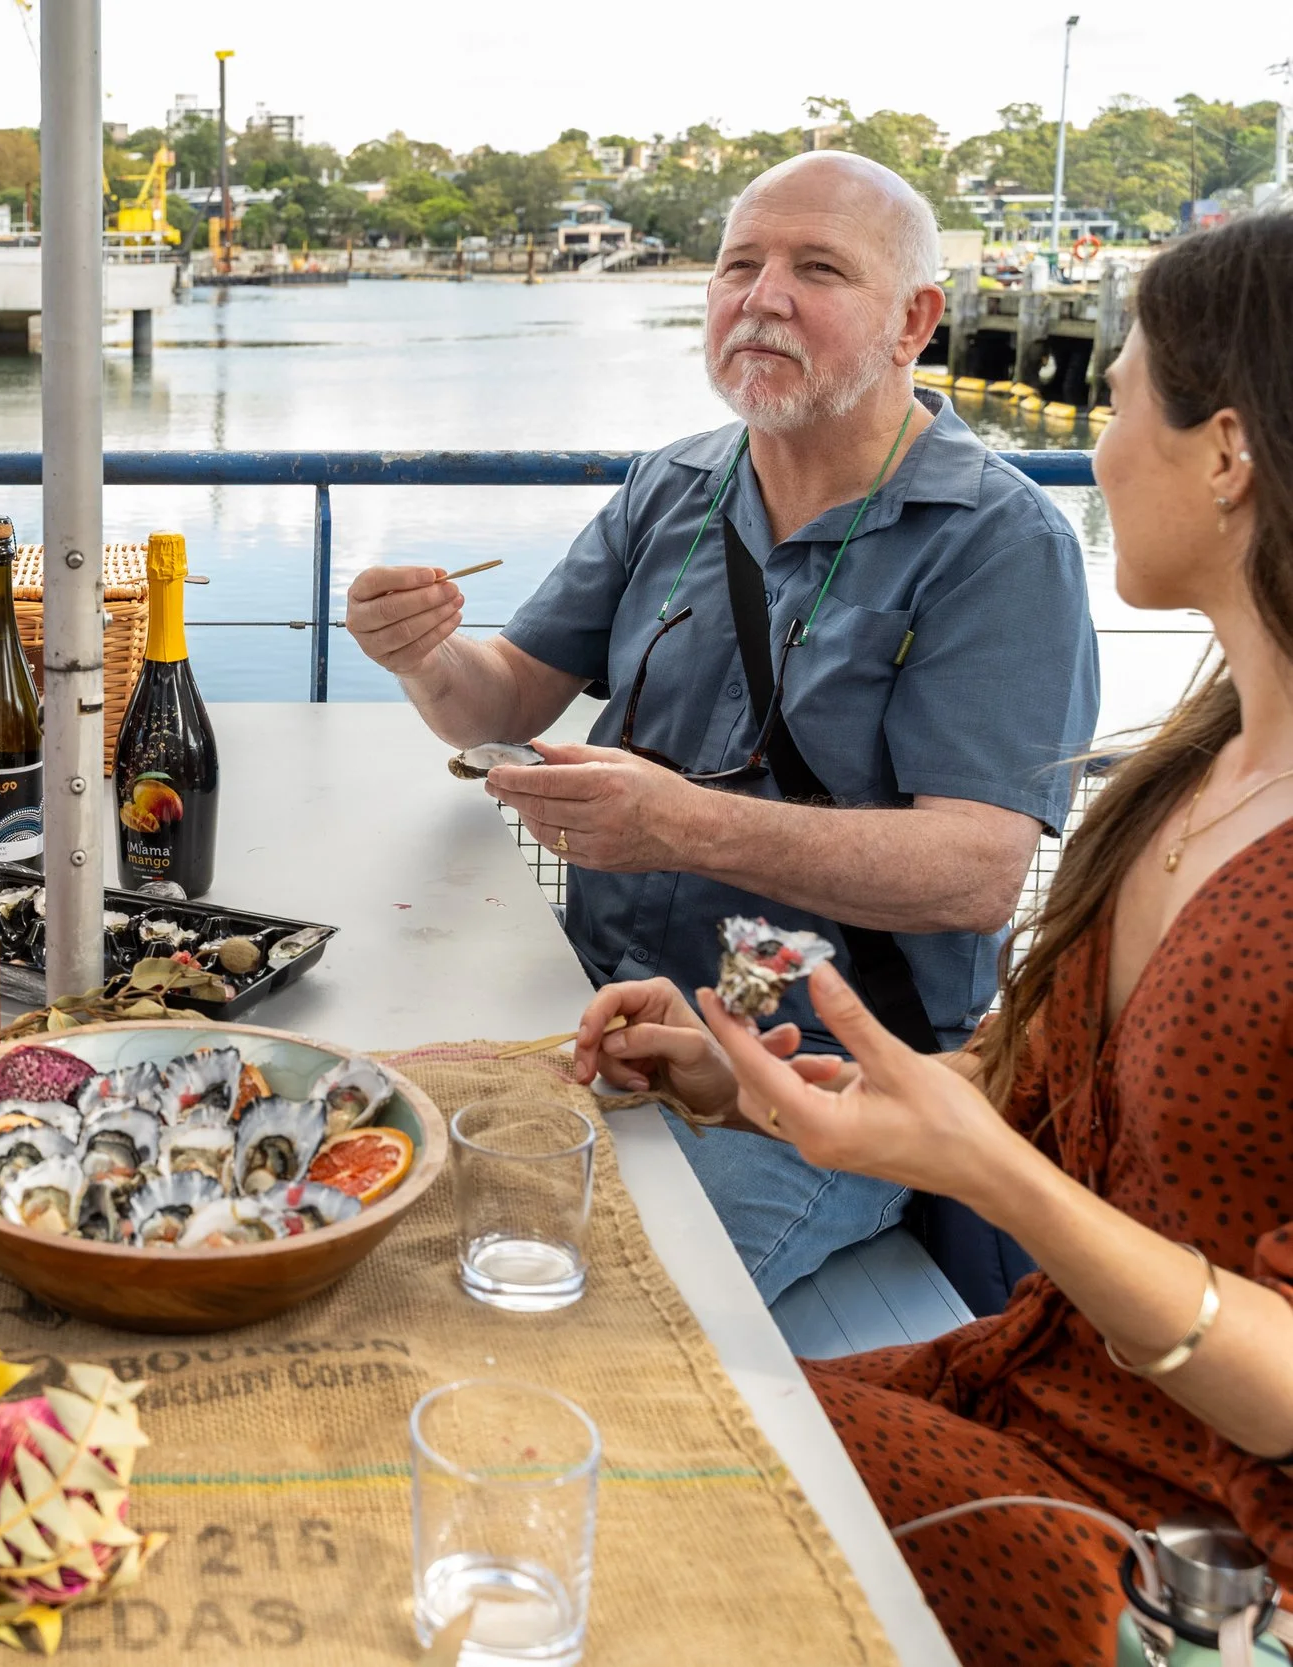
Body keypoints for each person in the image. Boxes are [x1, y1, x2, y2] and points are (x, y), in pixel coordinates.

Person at [570, 213, 1293, 1667]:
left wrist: (997, 1177)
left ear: (1228, 454)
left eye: (1119, 399)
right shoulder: (1194, 767)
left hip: (1188, 1543)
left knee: (602, 1439)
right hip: (1029, 1387)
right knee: (596, 1394)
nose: (1095, 451)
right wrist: (754, 1080)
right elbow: (1026, 1081)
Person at [346, 152, 1100, 1302]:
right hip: (590, 1009)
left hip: (816, 1088)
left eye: (816, 268)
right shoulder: (674, 485)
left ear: (915, 320)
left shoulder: (998, 543)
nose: (762, 296)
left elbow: (975, 872)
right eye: (738, 264)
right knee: (371, 1218)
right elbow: (501, 699)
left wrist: (683, 825)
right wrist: (420, 653)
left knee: (583, 1306)